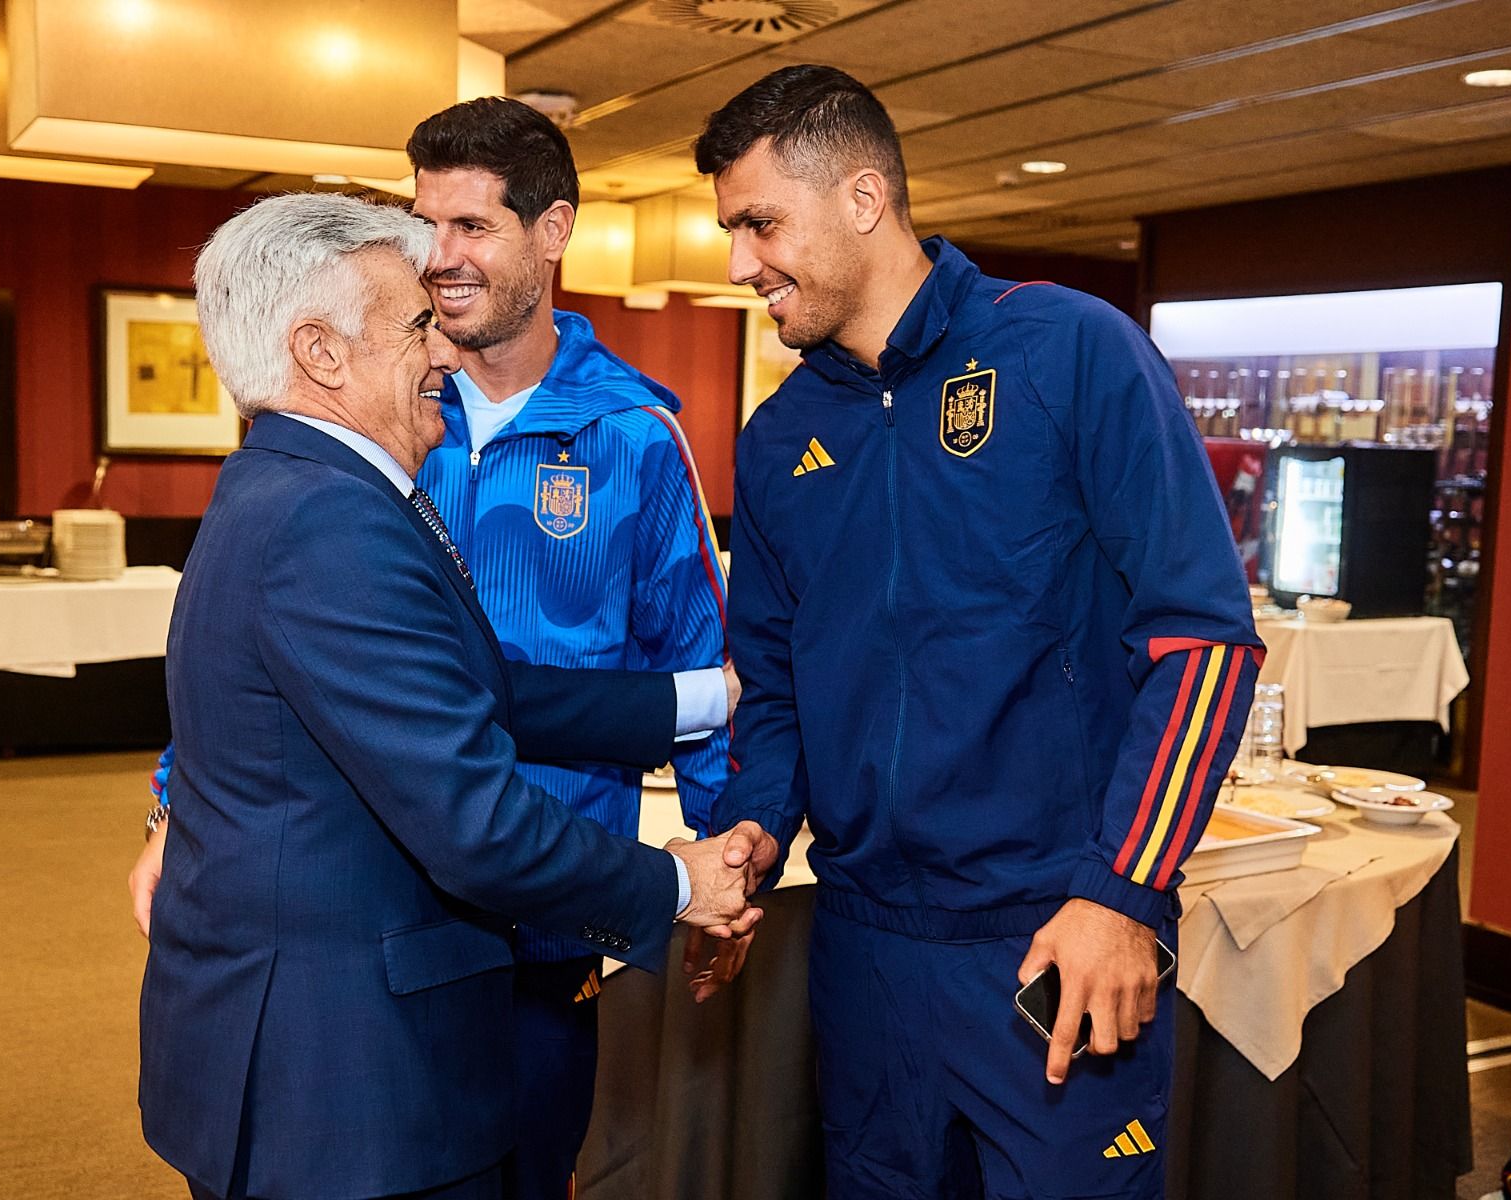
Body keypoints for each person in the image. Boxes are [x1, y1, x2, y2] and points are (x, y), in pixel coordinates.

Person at [133, 97, 732, 1200]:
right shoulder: (331, 510)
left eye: (472, 231)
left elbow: (479, 689)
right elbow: (465, 813)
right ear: (318, 352)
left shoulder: (311, 479)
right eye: (412, 324)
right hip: (356, 1043)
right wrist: (676, 882)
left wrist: (705, 710)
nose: (439, 349)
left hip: (472, 959)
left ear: (549, 233)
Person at [693, 65, 1263, 1199]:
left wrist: (1122, 891)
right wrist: (755, 825)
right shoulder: (777, 438)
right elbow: (775, 688)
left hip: (1052, 934)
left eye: (758, 223)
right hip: (862, 951)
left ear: (863, 198)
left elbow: (1204, 642)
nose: (737, 263)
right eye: (730, 230)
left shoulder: (1069, 352)